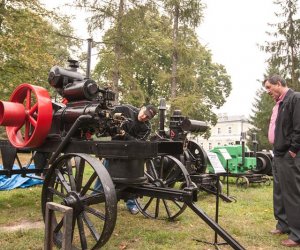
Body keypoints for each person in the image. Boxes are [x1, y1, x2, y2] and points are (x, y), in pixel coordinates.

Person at [95, 104, 157, 215]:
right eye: (144, 114)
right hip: (114, 148)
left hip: (131, 154)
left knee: (132, 178)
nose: (144, 117)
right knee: (104, 171)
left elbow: (140, 143)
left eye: (147, 117)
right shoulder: (125, 109)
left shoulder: (147, 127)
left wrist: (125, 135)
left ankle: (132, 203)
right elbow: (109, 117)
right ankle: (95, 194)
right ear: (142, 108)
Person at [264, 75, 300, 247]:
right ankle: (283, 224)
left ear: (279, 84)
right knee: (279, 191)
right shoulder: (279, 103)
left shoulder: (295, 98)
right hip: (278, 153)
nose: (268, 91)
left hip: (289, 154)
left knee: (292, 194)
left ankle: (297, 234)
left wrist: (293, 150)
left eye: (269, 87)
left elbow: (299, 127)